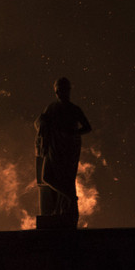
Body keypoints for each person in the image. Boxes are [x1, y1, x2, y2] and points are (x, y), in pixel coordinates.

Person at [35, 77, 92, 225]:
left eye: (62, 90)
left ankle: (69, 202)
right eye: (57, 91)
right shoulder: (51, 108)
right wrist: (42, 123)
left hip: (68, 149)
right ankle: (69, 199)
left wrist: (72, 133)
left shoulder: (74, 109)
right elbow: (40, 122)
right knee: (47, 177)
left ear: (67, 91)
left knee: (65, 179)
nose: (59, 93)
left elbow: (87, 127)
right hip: (54, 147)